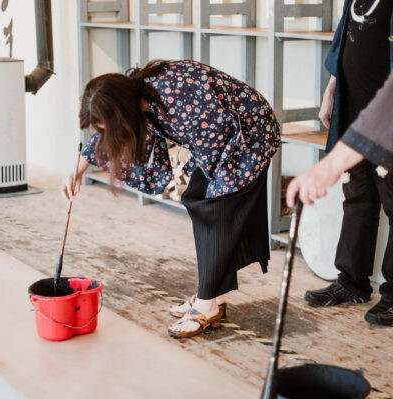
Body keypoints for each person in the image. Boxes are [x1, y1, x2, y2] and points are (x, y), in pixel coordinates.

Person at [61, 60, 281, 338]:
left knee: (214, 208)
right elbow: (107, 134)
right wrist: (76, 171)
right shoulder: (137, 95)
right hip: (219, 138)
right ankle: (213, 295)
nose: (109, 135)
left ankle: (207, 304)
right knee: (202, 202)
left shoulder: (181, 98)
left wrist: (213, 193)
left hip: (248, 136)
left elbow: (219, 148)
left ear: (123, 112)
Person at [292, 0, 393, 323]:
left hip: (387, 119)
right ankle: (352, 282)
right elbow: (344, 42)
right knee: (357, 196)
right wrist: (331, 90)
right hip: (352, 109)